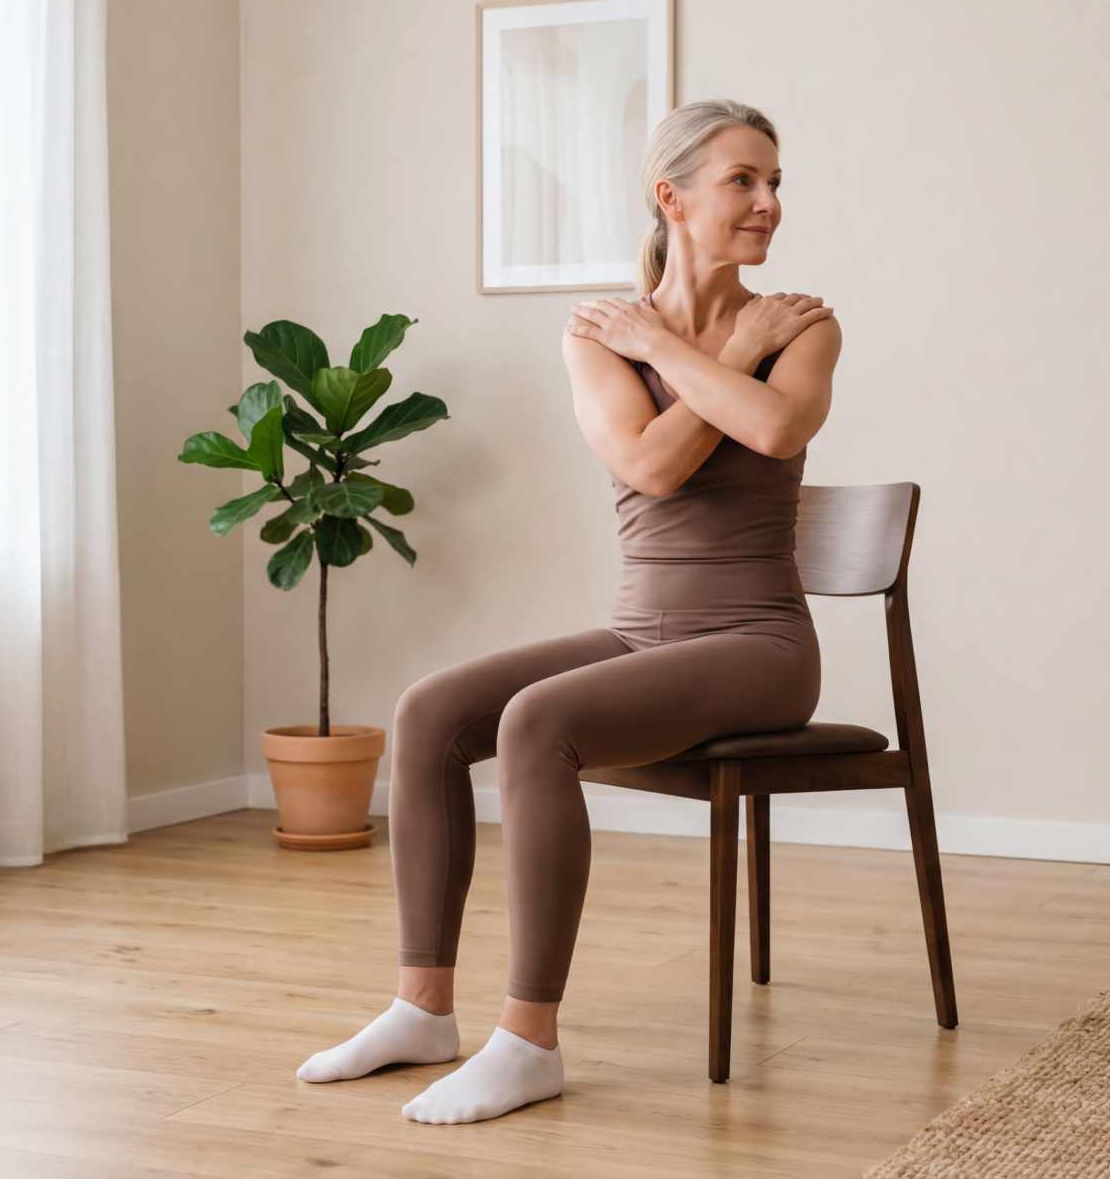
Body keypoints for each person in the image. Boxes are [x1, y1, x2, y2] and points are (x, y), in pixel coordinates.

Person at [295, 99, 842, 1124]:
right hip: (644, 629)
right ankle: (422, 1008)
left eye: (776, 183)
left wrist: (699, 357)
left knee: (535, 723)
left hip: (760, 644)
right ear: (670, 196)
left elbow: (771, 431)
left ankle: (529, 1039)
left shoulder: (801, 326)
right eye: (744, 181)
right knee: (428, 712)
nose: (770, 203)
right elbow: (646, 465)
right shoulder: (601, 333)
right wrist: (705, 358)